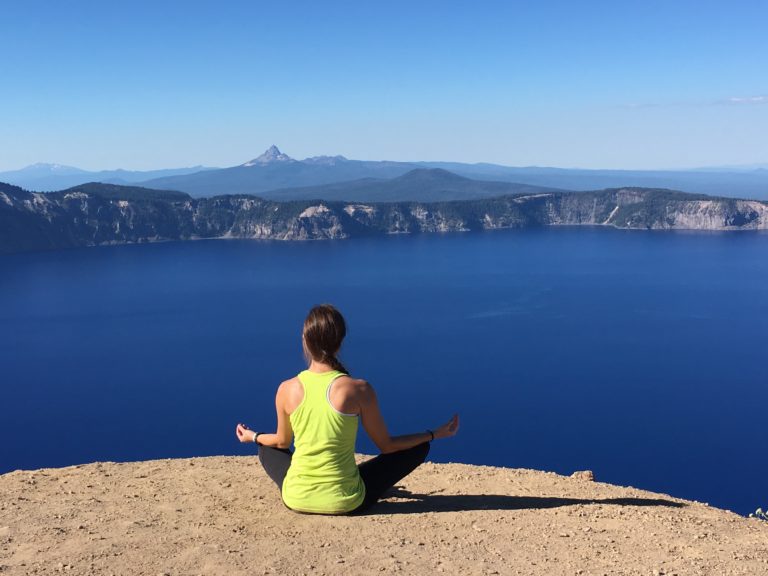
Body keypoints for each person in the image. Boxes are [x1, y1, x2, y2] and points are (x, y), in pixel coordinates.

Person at [235, 303, 459, 515]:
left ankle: (311, 484)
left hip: (296, 499)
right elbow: (387, 446)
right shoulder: (359, 389)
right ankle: (343, 482)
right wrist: (434, 434)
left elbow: (282, 442)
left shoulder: (286, 389)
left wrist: (253, 436)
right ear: (340, 343)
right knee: (419, 448)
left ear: (305, 340)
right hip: (348, 501)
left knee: (266, 447)